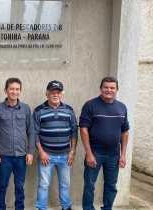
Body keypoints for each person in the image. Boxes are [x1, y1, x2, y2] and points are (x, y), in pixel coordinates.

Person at [80, 77, 129, 210]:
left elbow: (125, 132)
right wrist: (89, 153)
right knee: (89, 185)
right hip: (95, 153)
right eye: (106, 87)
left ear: (117, 90)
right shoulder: (90, 105)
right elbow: (83, 130)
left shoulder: (122, 107)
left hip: (114, 155)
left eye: (112, 88)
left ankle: (107, 208)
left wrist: (123, 154)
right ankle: (88, 208)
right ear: (100, 88)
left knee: (111, 185)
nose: (109, 90)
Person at [33, 80, 78, 210]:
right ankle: (41, 207)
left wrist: (72, 152)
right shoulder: (38, 110)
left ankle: (66, 206)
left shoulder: (69, 110)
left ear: (62, 94)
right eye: (52, 92)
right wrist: (41, 152)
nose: (55, 95)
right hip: (46, 155)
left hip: (65, 155)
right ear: (47, 94)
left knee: (65, 184)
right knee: (43, 184)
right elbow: (34, 133)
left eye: (58, 92)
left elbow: (74, 131)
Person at [0, 78, 35, 210]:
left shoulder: (26, 109)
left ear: (20, 91)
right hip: (4, 156)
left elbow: (31, 131)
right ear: (6, 90)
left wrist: (30, 152)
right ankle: (1, 207)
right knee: (2, 185)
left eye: (17, 89)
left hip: (21, 155)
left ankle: (19, 208)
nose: (14, 92)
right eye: (11, 89)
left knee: (20, 186)